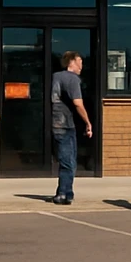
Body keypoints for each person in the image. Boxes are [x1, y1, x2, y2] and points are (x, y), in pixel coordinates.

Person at [50, 50, 93, 205]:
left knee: (68, 160)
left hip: (57, 122)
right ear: (72, 62)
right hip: (65, 124)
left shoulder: (56, 76)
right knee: (68, 161)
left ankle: (68, 192)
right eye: (80, 62)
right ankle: (62, 193)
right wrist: (88, 122)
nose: (82, 65)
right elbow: (78, 103)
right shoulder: (72, 79)